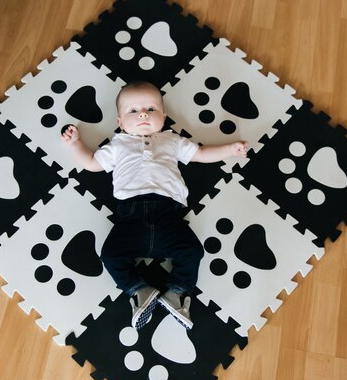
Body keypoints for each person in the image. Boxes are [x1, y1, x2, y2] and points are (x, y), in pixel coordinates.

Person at [61, 81, 248, 330]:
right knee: (110, 254)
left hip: (169, 215)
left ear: (164, 117)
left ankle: (175, 293)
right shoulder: (118, 145)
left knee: (192, 251)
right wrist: (75, 144)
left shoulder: (171, 140)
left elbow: (201, 154)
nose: (143, 114)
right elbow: (92, 163)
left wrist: (229, 150)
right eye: (133, 111)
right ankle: (140, 290)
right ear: (120, 123)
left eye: (151, 108)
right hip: (130, 217)